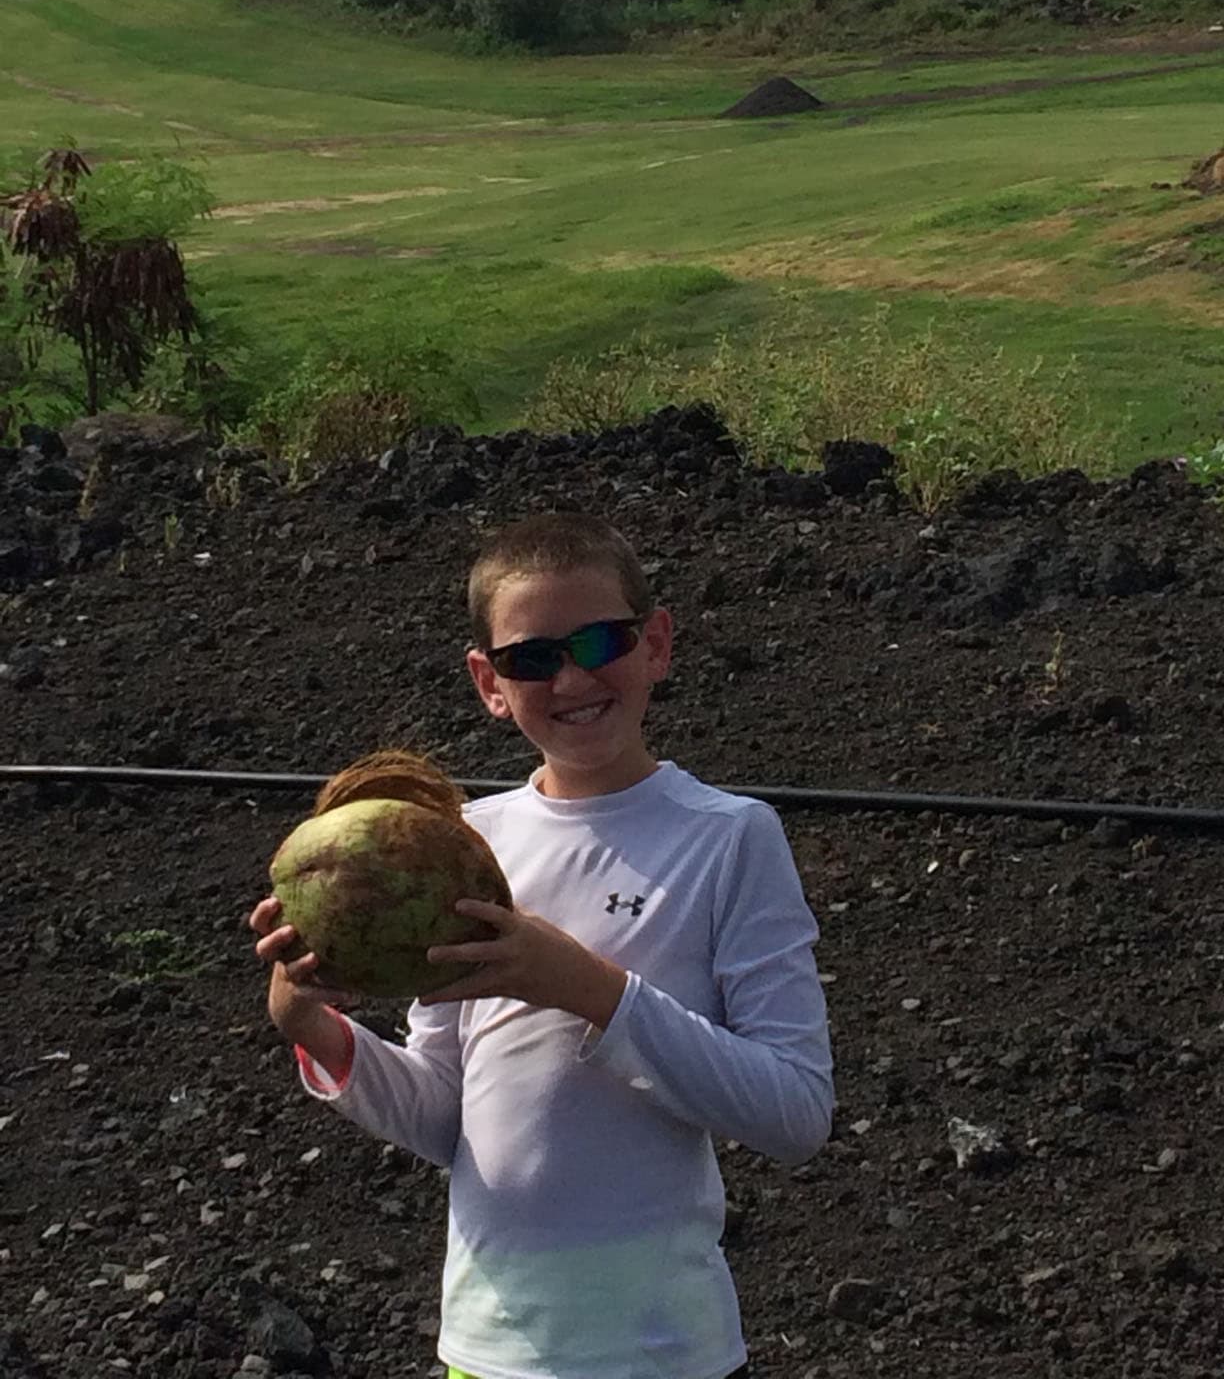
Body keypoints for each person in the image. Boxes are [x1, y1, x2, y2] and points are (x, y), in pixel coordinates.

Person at [251, 513, 835, 1379]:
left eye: (601, 639)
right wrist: (314, 1026)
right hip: (487, 1349)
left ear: (657, 644)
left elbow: (795, 1113)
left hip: (665, 1351)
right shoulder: (460, 844)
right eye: (532, 658)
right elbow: (447, 1114)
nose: (572, 676)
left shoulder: (730, 837)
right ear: (489, 681)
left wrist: (591, 989)